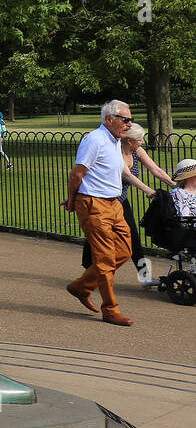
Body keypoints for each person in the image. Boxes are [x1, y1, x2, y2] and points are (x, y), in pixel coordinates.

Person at [63, 100, 136, 326]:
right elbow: (77, 173)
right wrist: (73, 200)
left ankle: (81, 286)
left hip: (114, 204)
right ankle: (110, 309)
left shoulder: (115, 140)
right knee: (105, 259)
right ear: (109, 119)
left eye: (130, 119)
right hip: (93, 204)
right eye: (125, 119)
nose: (129, 124)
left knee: (124, 251)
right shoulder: (94, 139)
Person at [79, 123, 174, 286]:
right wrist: (149, 191)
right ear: (129, 141)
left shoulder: (136, 150)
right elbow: (128, 175)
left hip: (120, 200)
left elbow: (155, 169)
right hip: (103, 200)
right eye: (140, 139)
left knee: (133, 239)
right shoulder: (115, 152)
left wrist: (175, 186)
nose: (143, 141)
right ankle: (88, 274)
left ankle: (145, 278)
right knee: (95, 237)